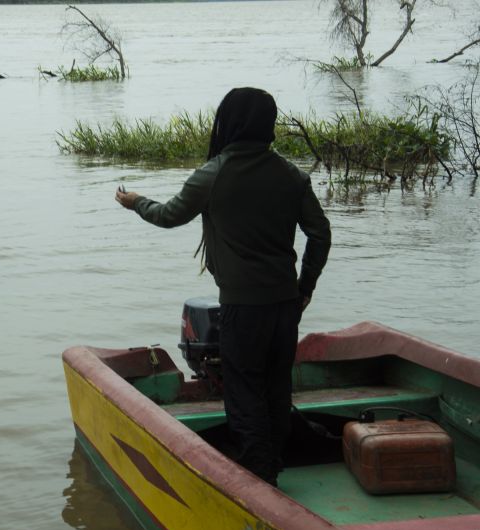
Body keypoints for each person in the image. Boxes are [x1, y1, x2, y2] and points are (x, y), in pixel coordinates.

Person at [115, 87, 331, 486]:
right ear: (268, 125)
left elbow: (167, 216)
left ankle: (261, 479)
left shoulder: (213, 175)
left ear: (228, 124)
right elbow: (320, 234)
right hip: (286, 304)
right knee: (276, 388)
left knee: (244, 391)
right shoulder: (292, 176)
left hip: (243, 308)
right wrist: (306, 287)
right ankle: (272, 462)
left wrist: (136, 202)